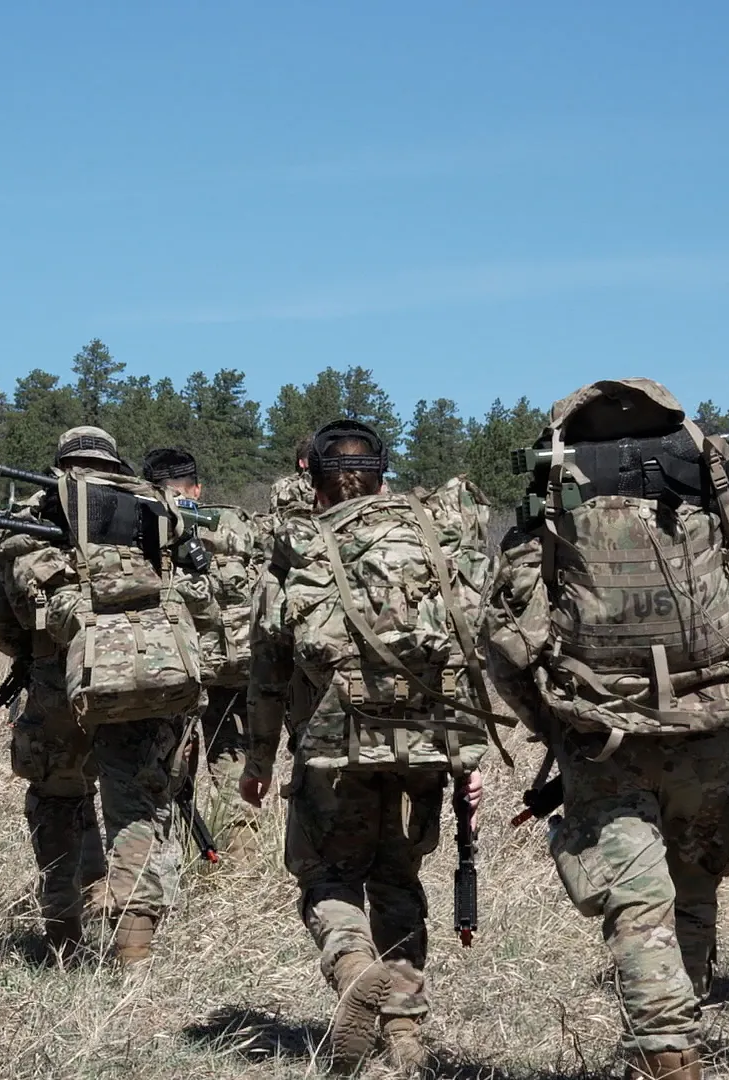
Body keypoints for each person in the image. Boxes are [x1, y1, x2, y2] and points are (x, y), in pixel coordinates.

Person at [483, 380, 729, 1080]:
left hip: (600, 734)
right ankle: (687, 1020)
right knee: (695, 878)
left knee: (635, 901)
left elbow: (507, 639)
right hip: (709, 728)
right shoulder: (716, 509)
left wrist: (550, 724)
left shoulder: (549, 521)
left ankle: (664, 1053)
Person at [244, 420, 495, 1073]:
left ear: (313, 480)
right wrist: (472, 752)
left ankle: (354, 966)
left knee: (327, 874)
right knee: (398, 878)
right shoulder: (435, 539)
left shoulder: (300, 546)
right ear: (384, 471)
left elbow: (269, 667)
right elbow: (476, 646)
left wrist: (257, 760)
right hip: (427, 736)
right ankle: (405, 1031)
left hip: (335, 740)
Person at [0, 426, 199, 966]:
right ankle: (134, 949)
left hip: (59, 679)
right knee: (139, 805)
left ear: (60, 463)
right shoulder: (159, 507)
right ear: (113, 460)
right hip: (148, 678)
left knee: (58, 798)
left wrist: (40, 654)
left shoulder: (33, 512)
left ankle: (63, 932)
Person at [144, 447, 264, 856]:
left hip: (183, 668)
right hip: (240, 666)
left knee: (172, 764)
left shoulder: (147, 527)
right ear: (197, 487)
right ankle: (243, 860)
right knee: (233, 763)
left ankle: (176, 854)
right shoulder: (237, 524)